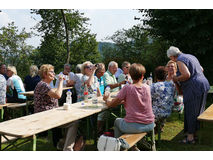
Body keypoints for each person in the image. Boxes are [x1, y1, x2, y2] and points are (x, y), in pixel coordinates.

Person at [167, 46, 210, 144]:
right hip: (203, 84)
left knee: (191, 112)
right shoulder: (191, 56)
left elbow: (186, 75)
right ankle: (194, 133)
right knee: (199, 112)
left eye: (171, 59)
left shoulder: (180, 60)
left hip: (194, 88)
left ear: (173, 57)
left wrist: (176, 78)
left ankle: (190, 138)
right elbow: (201, 69)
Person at [103, 63, 155, 139]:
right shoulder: (147, 87)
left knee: (117, 121)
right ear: (142, 76)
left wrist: (106, 99)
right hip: (150, 124)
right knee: (124, 122)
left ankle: (119, 145)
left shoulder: (127, 88)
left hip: (135, 126)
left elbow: (111, 104)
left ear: (130, 75)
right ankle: (132, 147)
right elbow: (138, 101)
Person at [151, 66, 175, 131]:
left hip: (157, 113)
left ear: (155, 76)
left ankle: (149, 129)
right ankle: (159, 126)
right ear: (166, 75)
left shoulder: (153, 86)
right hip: (168, 111)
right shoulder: (171, 85)